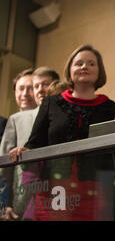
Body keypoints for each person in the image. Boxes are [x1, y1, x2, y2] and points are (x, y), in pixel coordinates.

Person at [9, 45, 115, 221]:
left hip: (95, 192)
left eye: (91, 63)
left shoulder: (111, 108)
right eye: (78, 63)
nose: (84, 67)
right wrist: (24, 151)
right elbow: (35, 143)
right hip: (52, 190)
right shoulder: (51, 103)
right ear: (69, 70)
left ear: (99, 72)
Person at [0, 67, 59, 221]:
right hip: (22, 204)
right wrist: (1, 205)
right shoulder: (17, 120)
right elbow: (3, 169)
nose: (39, 90)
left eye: (45, 84)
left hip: (60, 200)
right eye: (36, 86)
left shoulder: (66, 118)